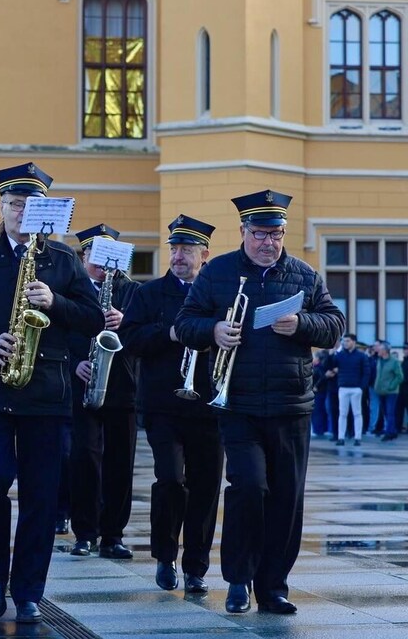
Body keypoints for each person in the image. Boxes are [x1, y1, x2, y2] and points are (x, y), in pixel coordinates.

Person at [0, 162, 104, 624]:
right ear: (2, 208)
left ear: (41, 212)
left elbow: (93, 318)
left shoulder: (64, 261)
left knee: (41, 495)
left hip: (46, 390)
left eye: (29, 204)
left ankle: (28, 588)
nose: (19, 210)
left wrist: (57, 302)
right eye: (12, 203)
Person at [175, 189, 345, 615]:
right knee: (248, 487)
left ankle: (273, 586)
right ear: (243, 232)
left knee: (287, 499)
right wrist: (213, 331)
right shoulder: (217, 273)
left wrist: (303, 323)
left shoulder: (304, 275)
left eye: (277, 234)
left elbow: (334, 324)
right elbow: (185, 322)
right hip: (239, 405)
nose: (269, 242)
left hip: (291, 405)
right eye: (260, 234)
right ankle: (237, 579)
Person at [121, 214, 223, 594]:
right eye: (175, 248)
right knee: (170, 480)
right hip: (164, 403)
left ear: (205, 254)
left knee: (206, 486)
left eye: (188, 249)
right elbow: (130, 339)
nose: (179, 256)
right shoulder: (147, 294)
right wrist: (169, 333)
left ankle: (196, 566)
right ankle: (165, 555)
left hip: (210, 405)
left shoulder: (219, 294)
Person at [68, 223, 138, 561]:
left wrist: (126, 321)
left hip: (122, 384)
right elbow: (58, 333)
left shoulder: (134, 292)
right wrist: (74, 364)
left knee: (120, 461)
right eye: (95, 255)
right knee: (84, 457)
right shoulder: (71, 289)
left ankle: (113, 534)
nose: (102, 263)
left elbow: (145, 336)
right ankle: (84, 532)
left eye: (109, 256)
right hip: (83, 383)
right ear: (83, 258)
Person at [331, 333, 369, 446]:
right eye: (344, 341)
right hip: (343, 387)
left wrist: (362, 387)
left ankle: (357, 438)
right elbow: (330, 365)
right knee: (342, 413)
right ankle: (341, 437)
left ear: (354, 342)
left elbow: (366, 372)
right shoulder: (340, 355)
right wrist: (332, 354)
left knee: (357, 413)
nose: (345, 343)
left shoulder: (361, 356)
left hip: (356, 388)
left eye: (347, 341)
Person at [373, 341, 403, 441]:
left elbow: (399, 376)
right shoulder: (379, 360)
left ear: (385, 351)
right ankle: (393, 431)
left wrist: (391, 386)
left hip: (391, 392)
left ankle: (389, 433)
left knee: (390, 412)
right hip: (380, 391)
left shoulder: (394, 361)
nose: (377, 351)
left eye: (380, 349)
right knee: (385, 412)